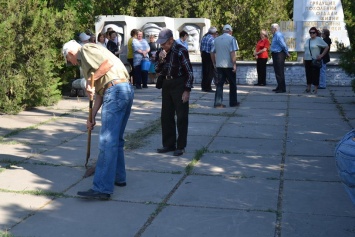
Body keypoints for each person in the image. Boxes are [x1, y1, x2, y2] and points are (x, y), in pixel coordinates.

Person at [62, 40, 134, 200]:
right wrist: (91, 117)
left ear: (70, 53)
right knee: (116, 140)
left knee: (107, 142)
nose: (70, 63)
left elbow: (107, 64)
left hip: (115, 91)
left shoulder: (85, 50)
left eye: (68, 59)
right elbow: (100, 93)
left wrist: (90, 81)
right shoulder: (87, 62)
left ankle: (102, 188)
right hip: (123, 90)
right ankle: (118, 177)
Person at [155, 28, 194, 156]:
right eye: (160, 43)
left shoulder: (180, 50)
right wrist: (161, 59)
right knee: (166, 116)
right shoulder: (162, 52)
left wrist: (187, 90)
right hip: (166, 84)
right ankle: (168, 144)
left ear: (171, 40)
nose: (162, 46)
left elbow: (189, 72)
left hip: (179, 84)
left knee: (181, 116)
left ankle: (181, 145)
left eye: (164, 43)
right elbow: (157, 70)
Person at [211, 24, 240, 108]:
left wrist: (214, 63)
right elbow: (232, 52)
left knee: (219, 84)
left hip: (219, 65)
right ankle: (233, 102)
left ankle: (218, 103)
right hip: (229, 65)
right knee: (232, 84)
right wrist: (234, 64)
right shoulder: (232, 39)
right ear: (230, 31)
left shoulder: (216, 40)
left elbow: (212, 52)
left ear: (223, 31)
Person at [303, 26, 329, 95]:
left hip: (315, 60)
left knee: (315, 74)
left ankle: (315, 89)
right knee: (308, 74)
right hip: (307, 59)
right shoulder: (308, 40)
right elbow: (305, 50)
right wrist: (304, 58)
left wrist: (321, 55)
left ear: (316, 33)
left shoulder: (318, 39)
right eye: (310, 32)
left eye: (313, 32)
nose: (311, 34)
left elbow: (326, 47)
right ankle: (308, 88)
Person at [270, 23, 290, 93]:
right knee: (277, 71)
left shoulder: (278, 35)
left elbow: (283, 45)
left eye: (271, 29)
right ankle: (279, 86)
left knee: (280, 72)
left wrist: (287, 52)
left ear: (275, 29)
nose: (270, 30)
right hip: (276, 54)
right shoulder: (275, 35)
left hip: (279, 54)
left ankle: (282, 88)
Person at [200, 26, 218, 92]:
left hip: (204, 55)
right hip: (209, 56)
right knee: (210, 73)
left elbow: (201, 48)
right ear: (214, 33)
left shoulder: (204, 38)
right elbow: (212, 52)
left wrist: (202, 55)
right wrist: (214, 62)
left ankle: (203, 86)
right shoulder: (212, 40)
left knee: (204, 72)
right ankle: (207, 87)